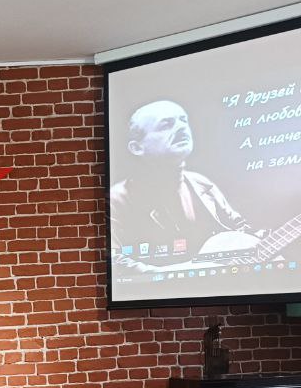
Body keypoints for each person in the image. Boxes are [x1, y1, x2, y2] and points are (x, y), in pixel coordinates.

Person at [110, 99, 257, 272]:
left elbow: (239, 228)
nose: (181, 127)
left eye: (183, 120)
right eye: (166, 125)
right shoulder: (117, 199)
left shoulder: (202, 183)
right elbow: (115, 260)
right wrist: (179, 272)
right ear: (136, 148)